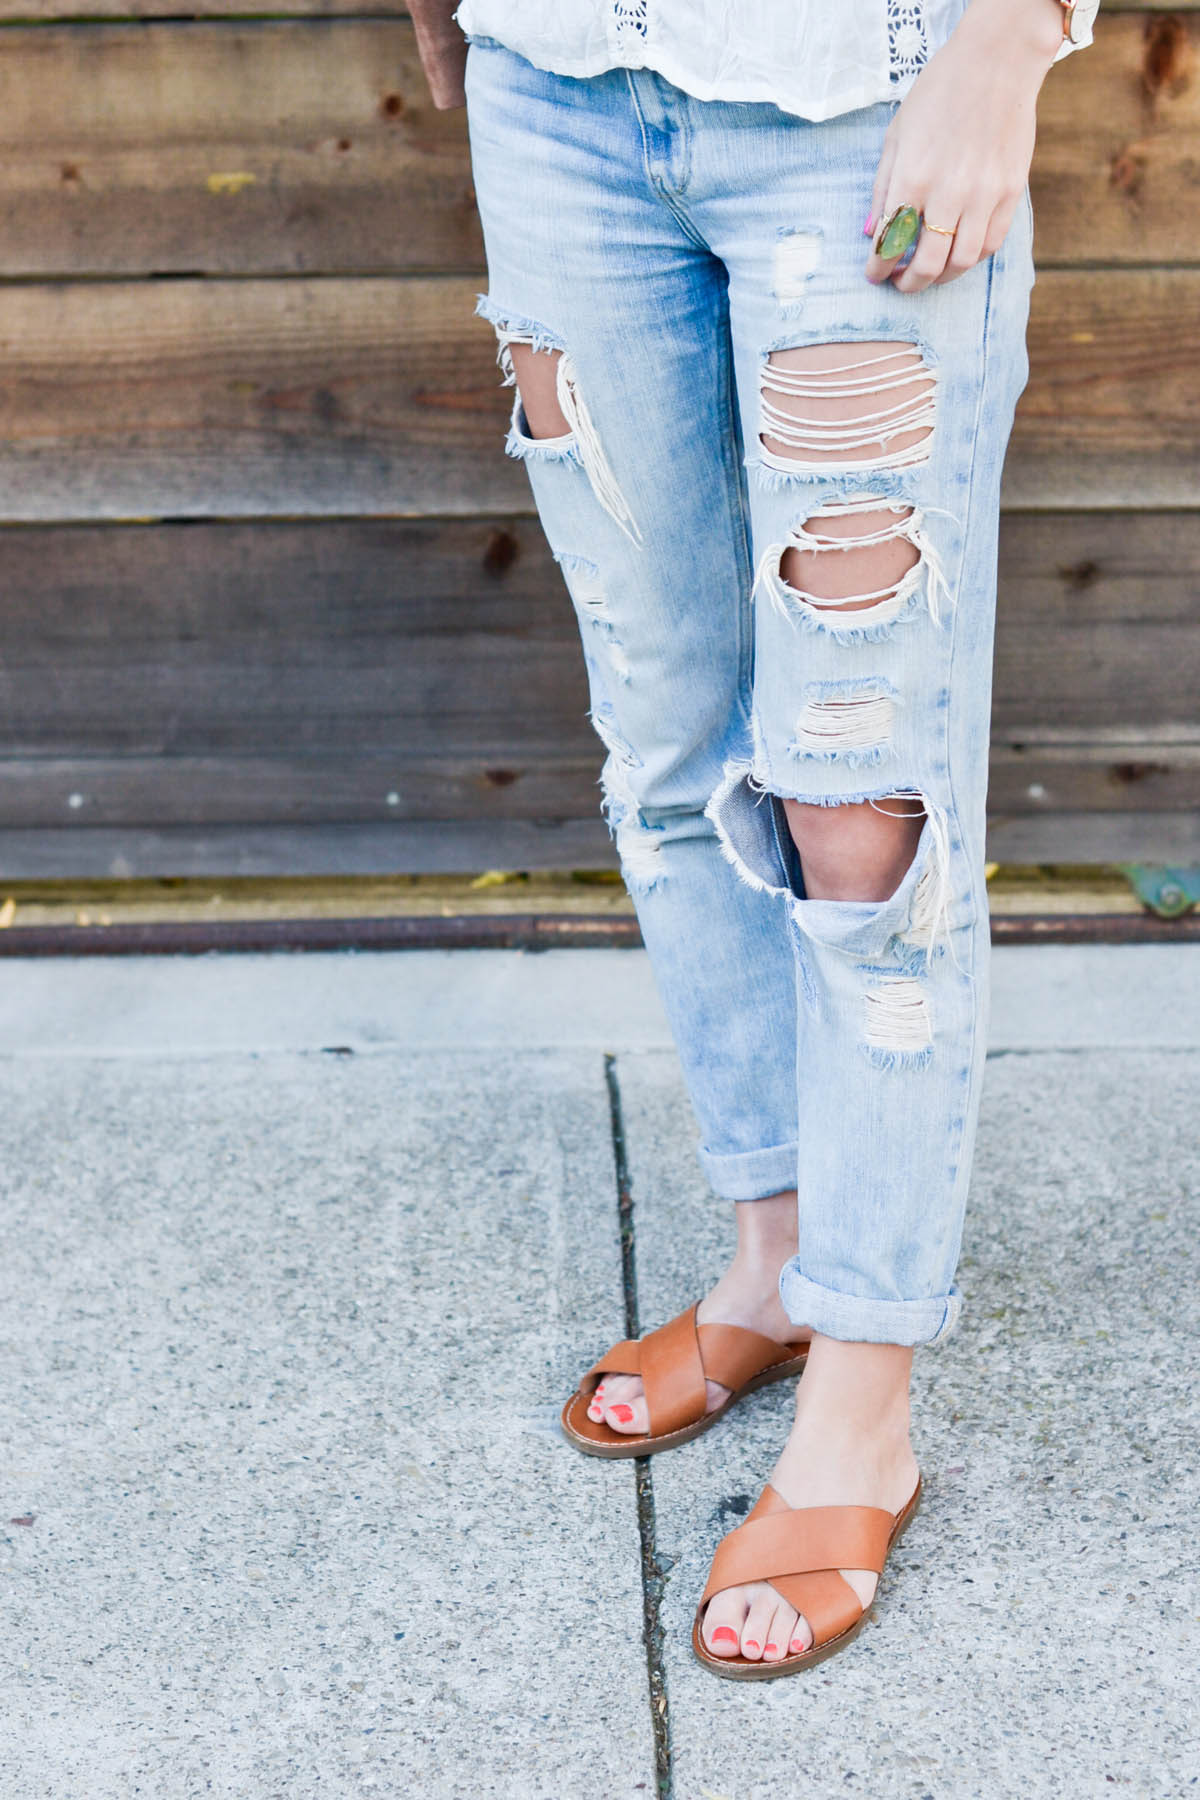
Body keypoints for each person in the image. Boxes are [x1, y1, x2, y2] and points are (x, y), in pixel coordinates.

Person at [411, 0, 1098, 1678]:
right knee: (665, 748)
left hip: (861, 96)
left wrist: (1010, 38)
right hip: (559, 97)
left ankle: (866, 1406)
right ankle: (777, 1262)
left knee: (866, 814)